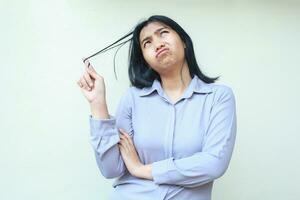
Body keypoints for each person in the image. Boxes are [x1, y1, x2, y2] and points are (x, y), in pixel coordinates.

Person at [77, 15, 237, 200]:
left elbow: (214, 164)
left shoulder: (219, 97)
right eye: (147, 43)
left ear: (184, 41)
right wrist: (97, 104)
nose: (158, 44)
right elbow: (111, 168)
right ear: (145, 59)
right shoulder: (132, 98)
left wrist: (140, 169)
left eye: (163, 33)